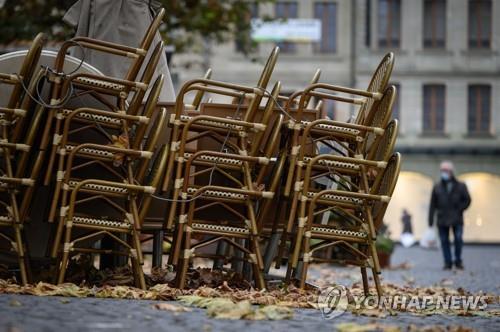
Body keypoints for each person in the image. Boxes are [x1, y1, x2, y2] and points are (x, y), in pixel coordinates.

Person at [428, 161, 471, 270]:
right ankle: (448, 262)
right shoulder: (437, 187)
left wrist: (460, 209)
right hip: (442, 219)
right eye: (442, 170)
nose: (444, 172)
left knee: (458, 239)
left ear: (451, 171)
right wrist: (430, 220)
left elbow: (467, 200)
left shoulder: (461, 186)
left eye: (446, 170)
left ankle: (458, 261)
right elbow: (432, 204)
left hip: (457, 218)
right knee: (444, 241)